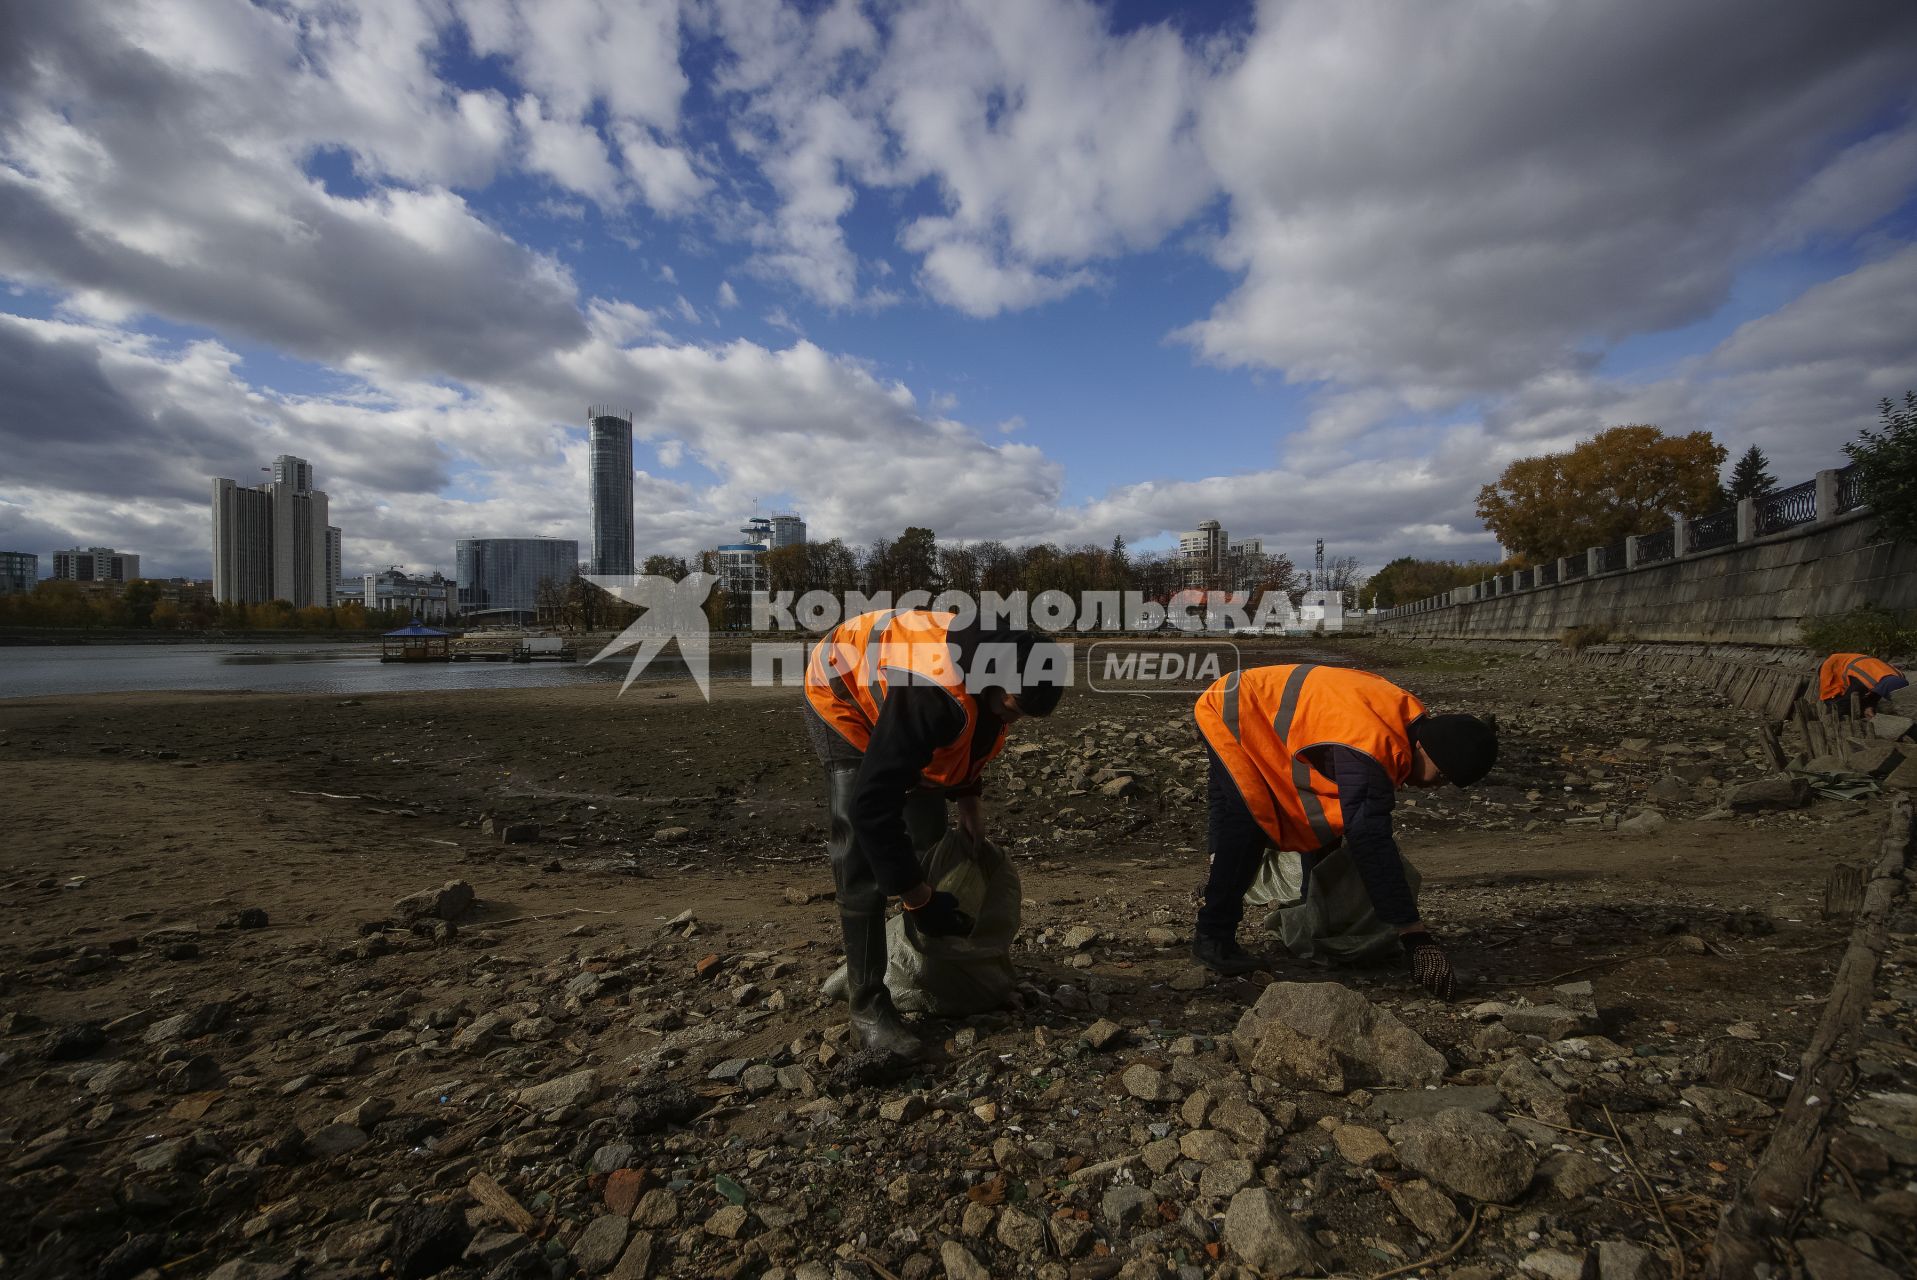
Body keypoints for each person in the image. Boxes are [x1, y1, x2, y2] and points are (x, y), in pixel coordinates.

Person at [804, 608, 1067, 1058]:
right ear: (994, 682)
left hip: (904, 696)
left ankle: (930, 973)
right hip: (842, 692)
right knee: (861, 863)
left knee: (925, 841)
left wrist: (969, 801)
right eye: (1014, 708)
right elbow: (872, 809)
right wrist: (918, 897)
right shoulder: (929, 693)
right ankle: (867, 1007)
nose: (1015, 721)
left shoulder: (1005, 663)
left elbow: (976, 731)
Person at [1189, 663, 1499, 999]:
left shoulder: (1410, 721)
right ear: (1427, 750)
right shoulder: (1371, 745)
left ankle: (1311, 916)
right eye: (1440, 776)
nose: (1435, 787)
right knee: (1246, 822)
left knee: (1322, 819)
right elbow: (1369, 840)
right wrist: (1415, 936)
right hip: (1234, 708)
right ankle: (1213, 938)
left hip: (1260, 708)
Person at [1817, 652, 1908, 720]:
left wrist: (1829, 718)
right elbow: (1875, 689)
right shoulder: (1897, 675)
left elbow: (1844, 700)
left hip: (1864, 674)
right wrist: (1869, 706)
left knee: (1845, 703)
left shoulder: (1862, 680)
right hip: (1894, 677)